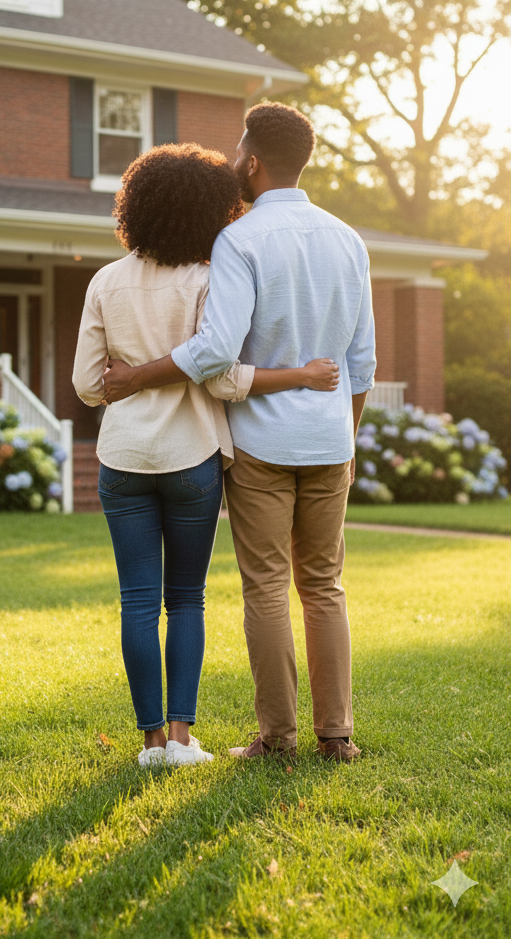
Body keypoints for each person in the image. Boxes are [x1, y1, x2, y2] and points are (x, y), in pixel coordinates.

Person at [103, 103, 376, 764]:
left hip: (260, 445)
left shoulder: (241, 240)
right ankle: (335, 734)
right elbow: (362, 360)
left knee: (267, 586)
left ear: (254, 162)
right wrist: (346, 435)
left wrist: (138, 375)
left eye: (236, 152)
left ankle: (278, 737)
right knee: (325, 584)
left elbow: (215, 350)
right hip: (329, 441)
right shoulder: (349, 239)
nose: (230, 163)